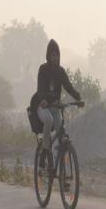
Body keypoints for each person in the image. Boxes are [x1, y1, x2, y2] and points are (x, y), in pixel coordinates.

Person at [30, 39, 82, 168]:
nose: (55, 58)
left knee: (62, 137)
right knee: (48, 120)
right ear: (48, 55)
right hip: (43, 107)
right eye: (52, 55)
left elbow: (68, 86)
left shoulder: (60, 71)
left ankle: (63, 177)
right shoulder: (43, 69)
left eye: (57, 55)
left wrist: (78, 98)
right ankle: (44, 152)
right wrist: (43, 99)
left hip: (55, 107)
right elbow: (40, 89)